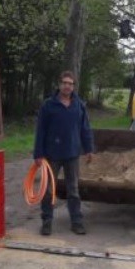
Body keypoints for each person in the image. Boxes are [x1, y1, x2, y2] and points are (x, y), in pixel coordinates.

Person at [33, 71, 95, 236]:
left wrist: (89, 149)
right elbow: (40, 131)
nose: (67, 86)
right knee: (48, 190)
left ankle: (76, 222)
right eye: (64, 83)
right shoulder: (48, 105)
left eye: (70, 83)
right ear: (59, 84)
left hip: (72, 154)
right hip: (51, 155)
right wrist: (38, 154)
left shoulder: (79, 105)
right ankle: (47, 222)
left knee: (73, 190)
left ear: (73, 86)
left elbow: (85, 128)